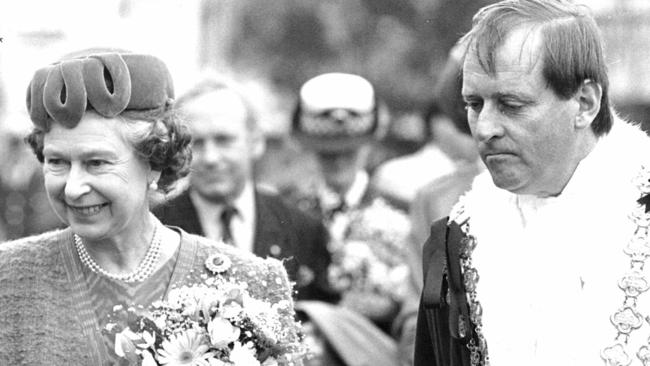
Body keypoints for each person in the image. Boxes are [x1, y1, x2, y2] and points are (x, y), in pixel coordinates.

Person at [0, 49, 302, 365]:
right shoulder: (8, 277)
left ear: (154, 163)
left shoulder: (254, 281)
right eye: (57, 162)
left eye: (97, 162)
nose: (73, 188)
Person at [414, 1, 650, 365]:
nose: (486, 129)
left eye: (511, 104)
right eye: (474, 104)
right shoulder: (453, 242)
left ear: (585, 103)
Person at [153, 77, 338, 303]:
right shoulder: (158, 229)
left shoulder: (304, 229)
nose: (211, 158)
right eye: (197, 143)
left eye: (224, 140)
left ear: (256, 142)